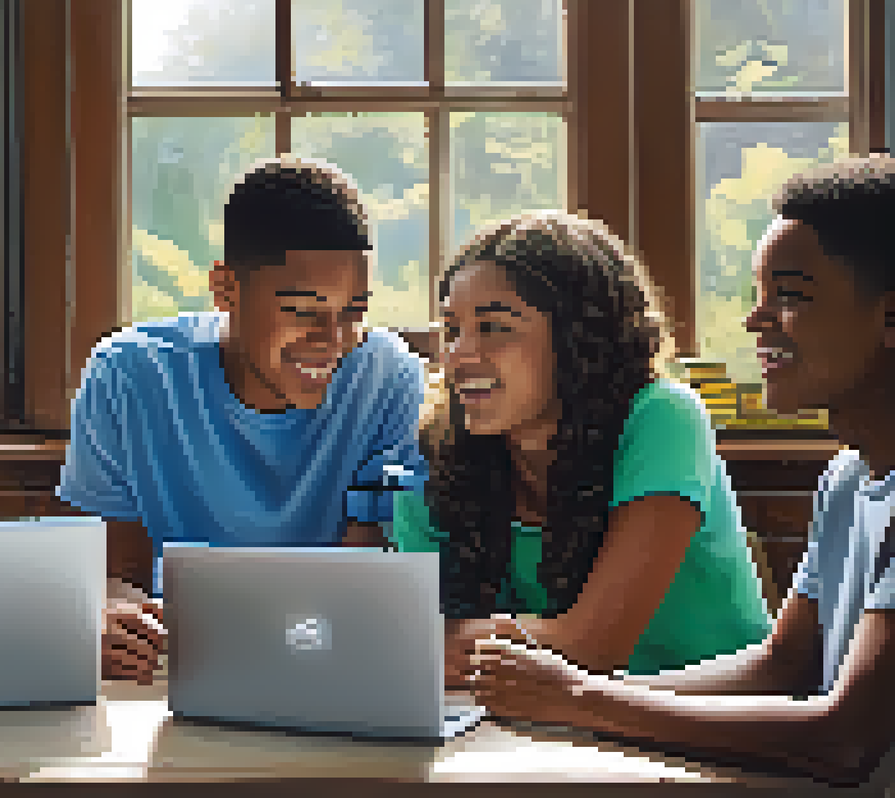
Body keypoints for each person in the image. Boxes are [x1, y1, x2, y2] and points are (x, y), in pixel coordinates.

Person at [469, 157, 895, 786]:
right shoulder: (847, 478)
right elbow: (782, 668)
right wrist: (559, 705)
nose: (756, 320)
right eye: (759, 296)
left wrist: (580, 702)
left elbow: (843, 738)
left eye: (791, 297)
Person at [58, 156, 429, 683]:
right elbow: (117, 576)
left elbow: (365, 583)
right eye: (304, 311)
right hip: (177, 670)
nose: (333, 341)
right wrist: (108, 610)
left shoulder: (392, 381)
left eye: (353, 312)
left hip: (328, 667)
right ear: (226, 289)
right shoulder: (128, 376)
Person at [392, 210, 773, 683]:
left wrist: (440, 640)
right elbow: (412, 639)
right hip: (536, 722)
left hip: (706, 717)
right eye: (452, 330)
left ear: (578, 340)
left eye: (494, 328)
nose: (459, 355)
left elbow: (593, 645)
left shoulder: (661, 415)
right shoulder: (438, 448)